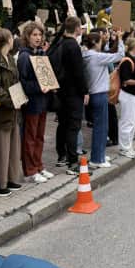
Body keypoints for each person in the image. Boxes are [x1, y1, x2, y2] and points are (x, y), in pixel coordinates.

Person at [49, 17, 88, 175]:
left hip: (61, 91)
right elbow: (78, 73)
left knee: (63, 124)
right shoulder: (73, 46)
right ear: (77, 28)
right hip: (73, 92)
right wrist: (84, 91)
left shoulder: (59, 43)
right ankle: (72, 162)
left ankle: (62, 156)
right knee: (73, 126)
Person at [17, 22, 55, 184]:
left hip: (42, 102)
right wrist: (41, 87)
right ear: (27, 36)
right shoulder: (24, 57)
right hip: (32, 103)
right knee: (30, 137)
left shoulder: (40, 54)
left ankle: (38, 165)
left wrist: (50, 84)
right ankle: (30, 170)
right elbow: (23, 83)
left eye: (40, 35)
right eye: (34, 35)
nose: (38, 38)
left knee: (39, 137)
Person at [0, 29, 23, 197]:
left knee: (13, 147)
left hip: (13, 109)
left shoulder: (10, 58)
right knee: (0, 148)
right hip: (1, 110)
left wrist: (20, 98)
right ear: (8, 40)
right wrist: (11, 101)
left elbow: (16, 81)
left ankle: (10, 179)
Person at [83, 31, 124, 167]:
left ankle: (99, 154)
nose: (102, 43)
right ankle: (97, 159)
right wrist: (120, 39)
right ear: (95, 42)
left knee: (100, 127)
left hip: (94, 92)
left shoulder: (86, 55)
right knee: (101, 128)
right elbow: (120, 55)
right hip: (99, 93)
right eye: (100, 41)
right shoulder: (96, 57)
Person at [117, 38, 135, 159]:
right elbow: (126, 80)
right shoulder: (127, 61)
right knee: (127, 121)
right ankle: (124, 148)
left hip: (134, 94)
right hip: (128, 95)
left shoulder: (134, 59)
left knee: (134, 121)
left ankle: (128, 146)